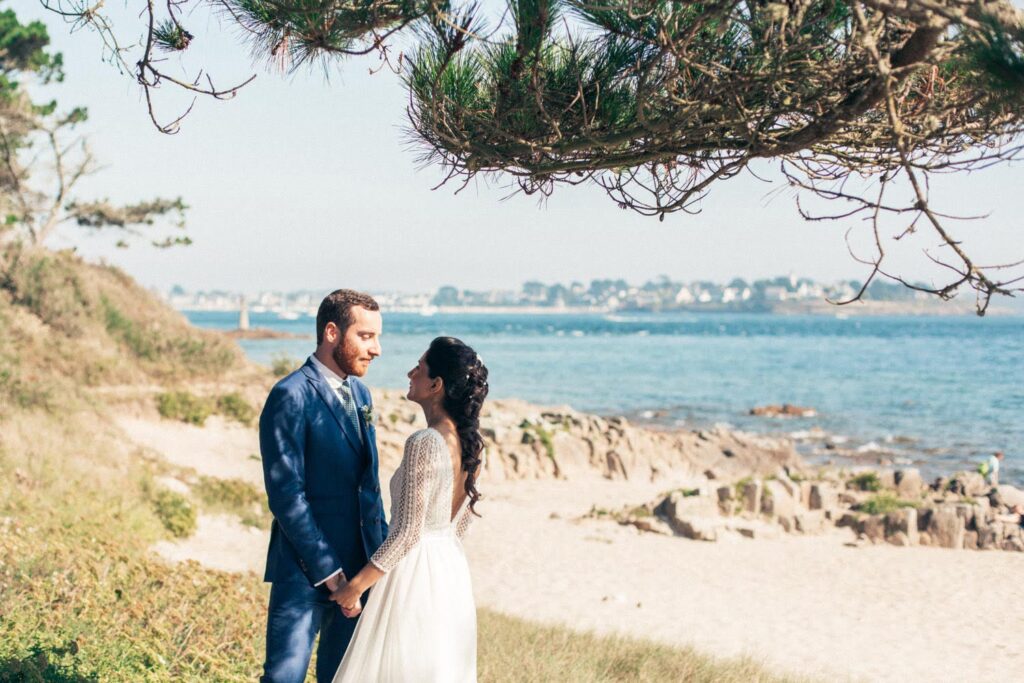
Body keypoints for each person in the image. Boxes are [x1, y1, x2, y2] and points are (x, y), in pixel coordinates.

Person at [331, 336, 488, 683]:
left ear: (436, 385)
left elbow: (407, 532)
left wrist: (355, 587)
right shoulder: (474, 446)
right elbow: (458, 528)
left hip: (415, 573)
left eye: (419, 367)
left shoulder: (424, 442)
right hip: (449, 572)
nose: (410, 372)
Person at [259, 289, 388, 683]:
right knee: (284, 678)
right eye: (365, 337)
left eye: (377, 338)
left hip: (359, 570)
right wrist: (329, 572)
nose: (376, 349)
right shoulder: (290, 394)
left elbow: (368, 487)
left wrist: (374, 567)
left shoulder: (360, 393)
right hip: (304, 570)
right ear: (332, 332)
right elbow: (286, 496)